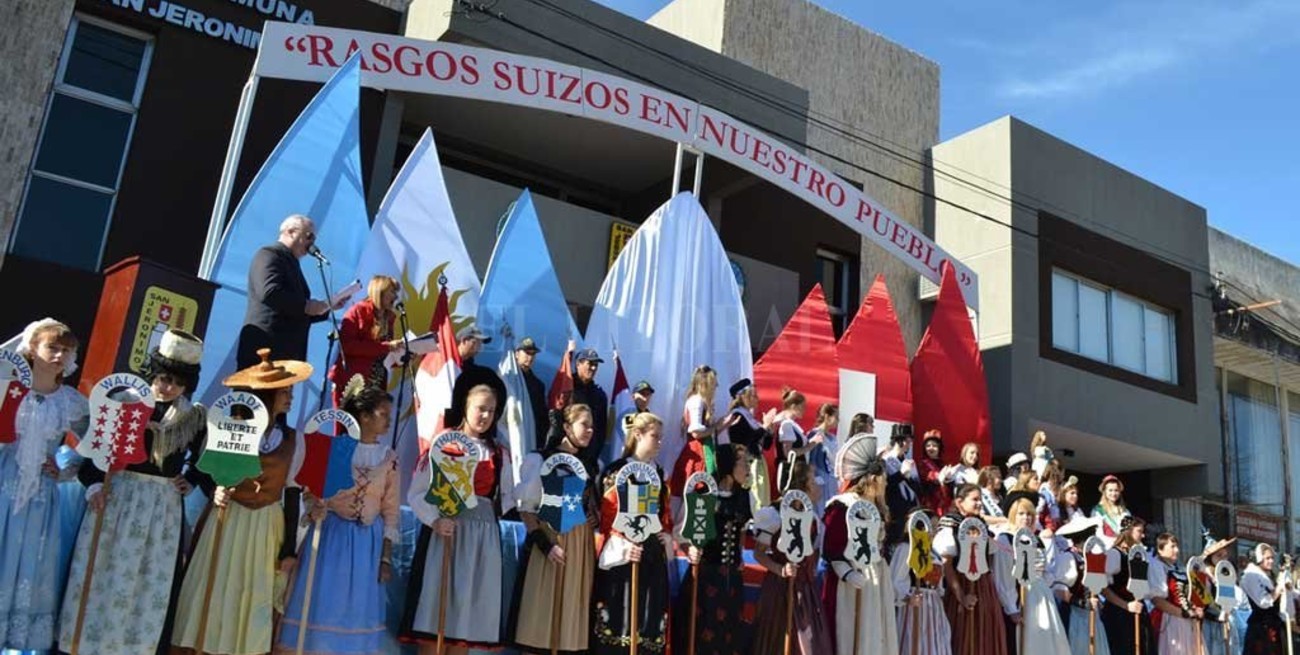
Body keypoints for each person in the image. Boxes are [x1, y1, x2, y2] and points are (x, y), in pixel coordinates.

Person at [59, 329, 207, 654]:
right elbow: (95, 452)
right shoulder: (125, 401)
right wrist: (94, 485)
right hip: (118, 495)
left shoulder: (192, 416)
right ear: (154, 373)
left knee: (147, 577)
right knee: (104, 569)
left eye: (178, 382)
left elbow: (207, 458)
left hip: (162, 508)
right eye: (164, 378)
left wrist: (192, 478)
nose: (168, 387)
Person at [170, 348, 312, 655]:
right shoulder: (233, 426)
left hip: (265, 524)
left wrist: (289, 548)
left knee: (253, 593)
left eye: (290, 392)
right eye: (284, 392)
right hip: (228, 517)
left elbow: (291, 491)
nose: (290, 398)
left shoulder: (293, 439)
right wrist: (215, 490)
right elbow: (208, 470)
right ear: (267, 395)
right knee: (215, 587)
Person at [273, 378, 400, 655]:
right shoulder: (334, 448)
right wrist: (314, 507)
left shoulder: (389, 458)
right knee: (321, 603)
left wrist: (385, 558)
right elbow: (309, 490)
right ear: (363, 416)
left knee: (354, 611)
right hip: (330, 538)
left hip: (366, 546)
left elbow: (390, 511)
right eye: (383, 414)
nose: (389, 421)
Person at [402, 383, 515, 654]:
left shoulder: (499, 452)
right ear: (466, 407)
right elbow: (418, 491)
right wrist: (435, 520)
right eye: (480, 408)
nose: (486, 416)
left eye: (491, 411)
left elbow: (509, 497)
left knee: (464, 619)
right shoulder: (445, 442)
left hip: (481, 540)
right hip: (447, 532)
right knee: (435, 613)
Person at [0, 319, 88, 651]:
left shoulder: (70, 401)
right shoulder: (8, 387)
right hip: (2, 481)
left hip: (39, 494)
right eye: (52, 347)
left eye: (66, 350)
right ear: (32, 348)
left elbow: (97, 444)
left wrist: (68, 469)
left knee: (27, 559)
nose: (59, 355)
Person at [511, 403, 599, 655]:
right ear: (567, 427)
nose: (590, 430)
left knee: (570, 620)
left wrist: (593, 515)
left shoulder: (591, 465)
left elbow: (591, 506)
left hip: (579, 545)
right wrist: (545, 544)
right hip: (551, 541)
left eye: (592, 426)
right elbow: (526, 508)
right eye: (584, 424)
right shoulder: (542, 459)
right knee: (540, 615)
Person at [590, 413, 674, 655]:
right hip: (623, 558)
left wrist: (664, 536)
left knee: (648, 622)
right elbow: (609, 518)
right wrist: (624, 547)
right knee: (620, 619)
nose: (659, 442)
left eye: (661, 437)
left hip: (651, 558)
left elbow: (663, 516)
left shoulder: (659, 474)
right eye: (655, 436)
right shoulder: (617, 472)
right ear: (637, 434)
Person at [822, 435, 898, 655]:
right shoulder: (844, 506)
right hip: (852, 578)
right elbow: (832, 548)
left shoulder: (877, 506)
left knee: (875, 633)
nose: (886, 483)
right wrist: (847, 573)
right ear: (873, 479)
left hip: (876, 577)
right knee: (851, 633)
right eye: (883, 478)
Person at [237, 215, 346, 367]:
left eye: (314, 239)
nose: (312, 243)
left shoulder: (291, 263)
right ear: (291, 232)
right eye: (309, 236)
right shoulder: (269, 254)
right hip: (266, 350)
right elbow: (269, 292)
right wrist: (306, 306)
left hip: (286, 354)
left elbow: (295, 312)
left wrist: (326, 307)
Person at [676, 443, 753, 655]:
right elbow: (682, 532)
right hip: (706, 576)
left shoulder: (744, 496)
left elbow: (741, 530)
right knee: (703, 631)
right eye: (743, 463)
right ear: (728, 465)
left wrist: (739, 554)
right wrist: (690, 549)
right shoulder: (704, 493)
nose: (748, 468)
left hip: (731, 580)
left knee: (729, 633)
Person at [751, 459, 833, 655]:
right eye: (813, 481)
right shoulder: (774, 515)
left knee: (808, 642)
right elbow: (758, 553)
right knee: (778, 640)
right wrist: (780, 569)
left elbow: (814, 555)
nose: (818, 485)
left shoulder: (813, 519)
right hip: (779, 589)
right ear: (801, 486)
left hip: (805, 592)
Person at [993, 496, 1070, 655]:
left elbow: (1046, 572)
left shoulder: (1036, 540)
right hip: (1020, 595)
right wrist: (1011, 608)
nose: (1026, 518)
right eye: (1021, 513)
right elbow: (1004, 575)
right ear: (1013, 515)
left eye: (1029, 514)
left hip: (1041, 595)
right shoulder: (1005, 539)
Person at [936, 483, 1007, 655]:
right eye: (975, 499)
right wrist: (961, 595)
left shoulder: (982, 526)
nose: (979, 503)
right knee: (964, 636)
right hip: (961, 585)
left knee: (985, 635)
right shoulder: (951, 525)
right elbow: (947, 565)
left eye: (980, 499)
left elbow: (989, 558)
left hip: (984, 587)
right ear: (959, 502)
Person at [327, 275, 401, 406]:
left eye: (396, 292)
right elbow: (347, 346)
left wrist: (403, 356)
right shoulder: (358, 311)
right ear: (380, 291)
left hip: (376, 385)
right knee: (349, 420)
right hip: (352, 383)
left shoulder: (389, 318)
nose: (396, 297)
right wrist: (387, 347)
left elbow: (384, 355)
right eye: (392, 292)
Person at [890, 508, 952, 655]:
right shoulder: (906, 549)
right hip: (914, 604)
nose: (935, 532)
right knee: (915, 643)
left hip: (933, 606)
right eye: (932, 527)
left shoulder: (934, 552)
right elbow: (896, 579)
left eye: (936, 527)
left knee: (935, 645)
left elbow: (938, 584)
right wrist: (907, 597)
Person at [1052, 515, 1111, 655]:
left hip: (1093, 615)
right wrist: (1082, 603)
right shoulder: (1069, 558)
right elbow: (1058, 589)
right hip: (1076, 616)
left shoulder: (1093, 557)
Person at [717, 378, 777, 512]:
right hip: (747, 463)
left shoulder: (750, 417)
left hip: (757, 462)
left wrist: (769, 431)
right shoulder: (737, 416)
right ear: (744, 397)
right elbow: (747, 442)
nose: (757, 399)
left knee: (762, 499)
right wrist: (764, 427)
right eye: (754, 395)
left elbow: (765, 446)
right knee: (754, 499)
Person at [1100, 516, 1153, 655]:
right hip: (1120, 613)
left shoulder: (1137, 555)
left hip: (1138, 610)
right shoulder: (1114, 554)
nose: (1143, 535)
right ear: (1128, 532)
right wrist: (1126, 605)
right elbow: (1103, 588)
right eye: (1139, 531)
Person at [446, 325, 508, 437]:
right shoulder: (444, 366)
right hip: (444, 428)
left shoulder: (477, 374)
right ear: (464, 341)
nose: (478, 348)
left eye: (480, 344)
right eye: (475, 343)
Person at [671, 365, 722, 499]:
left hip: (703, 451)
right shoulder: (696, 401)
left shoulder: (701, 401)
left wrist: (722, 425)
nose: (716, 386)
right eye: (713, 382)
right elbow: (696, 433)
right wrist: (717, 426)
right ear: (704, 383)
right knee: (695, 494)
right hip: (698, 453)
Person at [1150, 532, 1203, 655]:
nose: (1177, 550)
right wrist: (1183, 613)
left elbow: (1193, 594)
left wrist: (1196, 608)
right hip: (1170, 620)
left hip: (1186, 620)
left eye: (1177, 546)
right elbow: (1157, 600)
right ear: (1160, 549)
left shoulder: (1178, 568)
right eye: (1172, 547)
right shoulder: (1156, 566)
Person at [1241, 543, 1286, 655]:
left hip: (1272, 625)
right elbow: (1263, 602)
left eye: (1272, 558)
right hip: (1260, 627)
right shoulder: (1250, 576)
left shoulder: (1267, 576)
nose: (1271, 561)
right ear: (1258, 558)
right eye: (1267, 558)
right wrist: (1278, 590)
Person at [1203, 532, 1244, 655]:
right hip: (1212, 623)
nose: (1223, 559)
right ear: (1211, 558)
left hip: (1228, 619)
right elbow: (1206, 601)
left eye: (1225, 555)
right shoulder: (1206, 576)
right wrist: (1219, 613)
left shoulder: (1227, 574)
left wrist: (1228, 611)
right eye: (1219, 555)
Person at [570, 349, 609, 471]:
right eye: (590, 364)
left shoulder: (599, 395)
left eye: (596, 365)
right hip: (567, 455)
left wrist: (593, 455)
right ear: (578, 364)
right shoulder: (567, 387)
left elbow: (601, 430)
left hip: (589, 459)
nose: (593, 368)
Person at [881, 422, 920, 537]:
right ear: (898, 441)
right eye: (907, 440)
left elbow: (918, 488)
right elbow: (885, 486)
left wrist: (910, 478)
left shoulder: (909, 462)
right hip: (895, 509)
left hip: (910, 508)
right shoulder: (886, 460)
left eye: (910, 441)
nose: (909, 444)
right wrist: (901, 474)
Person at [515, 337, 551, 451]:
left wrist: (539, 444)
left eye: (533, 354)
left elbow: (541, 418)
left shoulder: (538, 385)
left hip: (528, 439)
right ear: (517, 354)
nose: (530, 357)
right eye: (527, 353)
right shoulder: (506, 379)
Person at [807, 404, 841, 509]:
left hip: (832, 480)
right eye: (836, 417)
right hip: (820, 480)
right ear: (827, 417)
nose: (838, 421)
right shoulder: (816, 434)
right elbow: (811, 460)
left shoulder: (832, 437)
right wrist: (814, 481)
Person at [917, 430, 952, 515]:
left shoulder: (944, 464)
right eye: (928, 446)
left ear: (939, 448)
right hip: (931, 504)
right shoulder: (923, 463)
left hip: (945, 504)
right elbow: (929, 476)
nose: (931, 448)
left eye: (934, 445)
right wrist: (939, 476)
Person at [1091, 475, 1130, 547]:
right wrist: (1114, 543)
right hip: (1105, 547)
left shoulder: (1125, 511)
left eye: (1116, 490)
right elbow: (1098, 534)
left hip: (1122, 547)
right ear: (1104, 491)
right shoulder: (1097, 511)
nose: (1113, 493)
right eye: (1110, 490)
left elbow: (1127, 531)